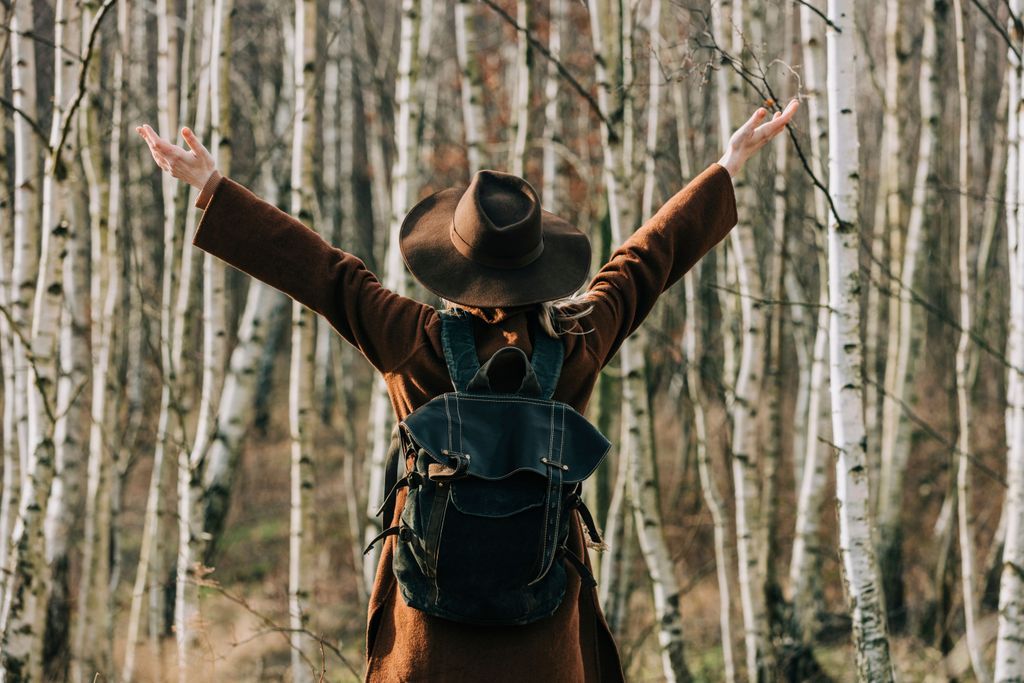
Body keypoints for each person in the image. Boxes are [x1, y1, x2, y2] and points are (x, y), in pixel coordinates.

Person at [137, 97, 799, 682]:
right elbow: (645, 260)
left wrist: (213, 186)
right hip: (542, 637)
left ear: (451, 265)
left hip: (429, 639)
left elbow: (323, 272)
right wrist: (724, 167)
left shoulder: (409, 337)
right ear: (542, 266)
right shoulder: (578, 339)